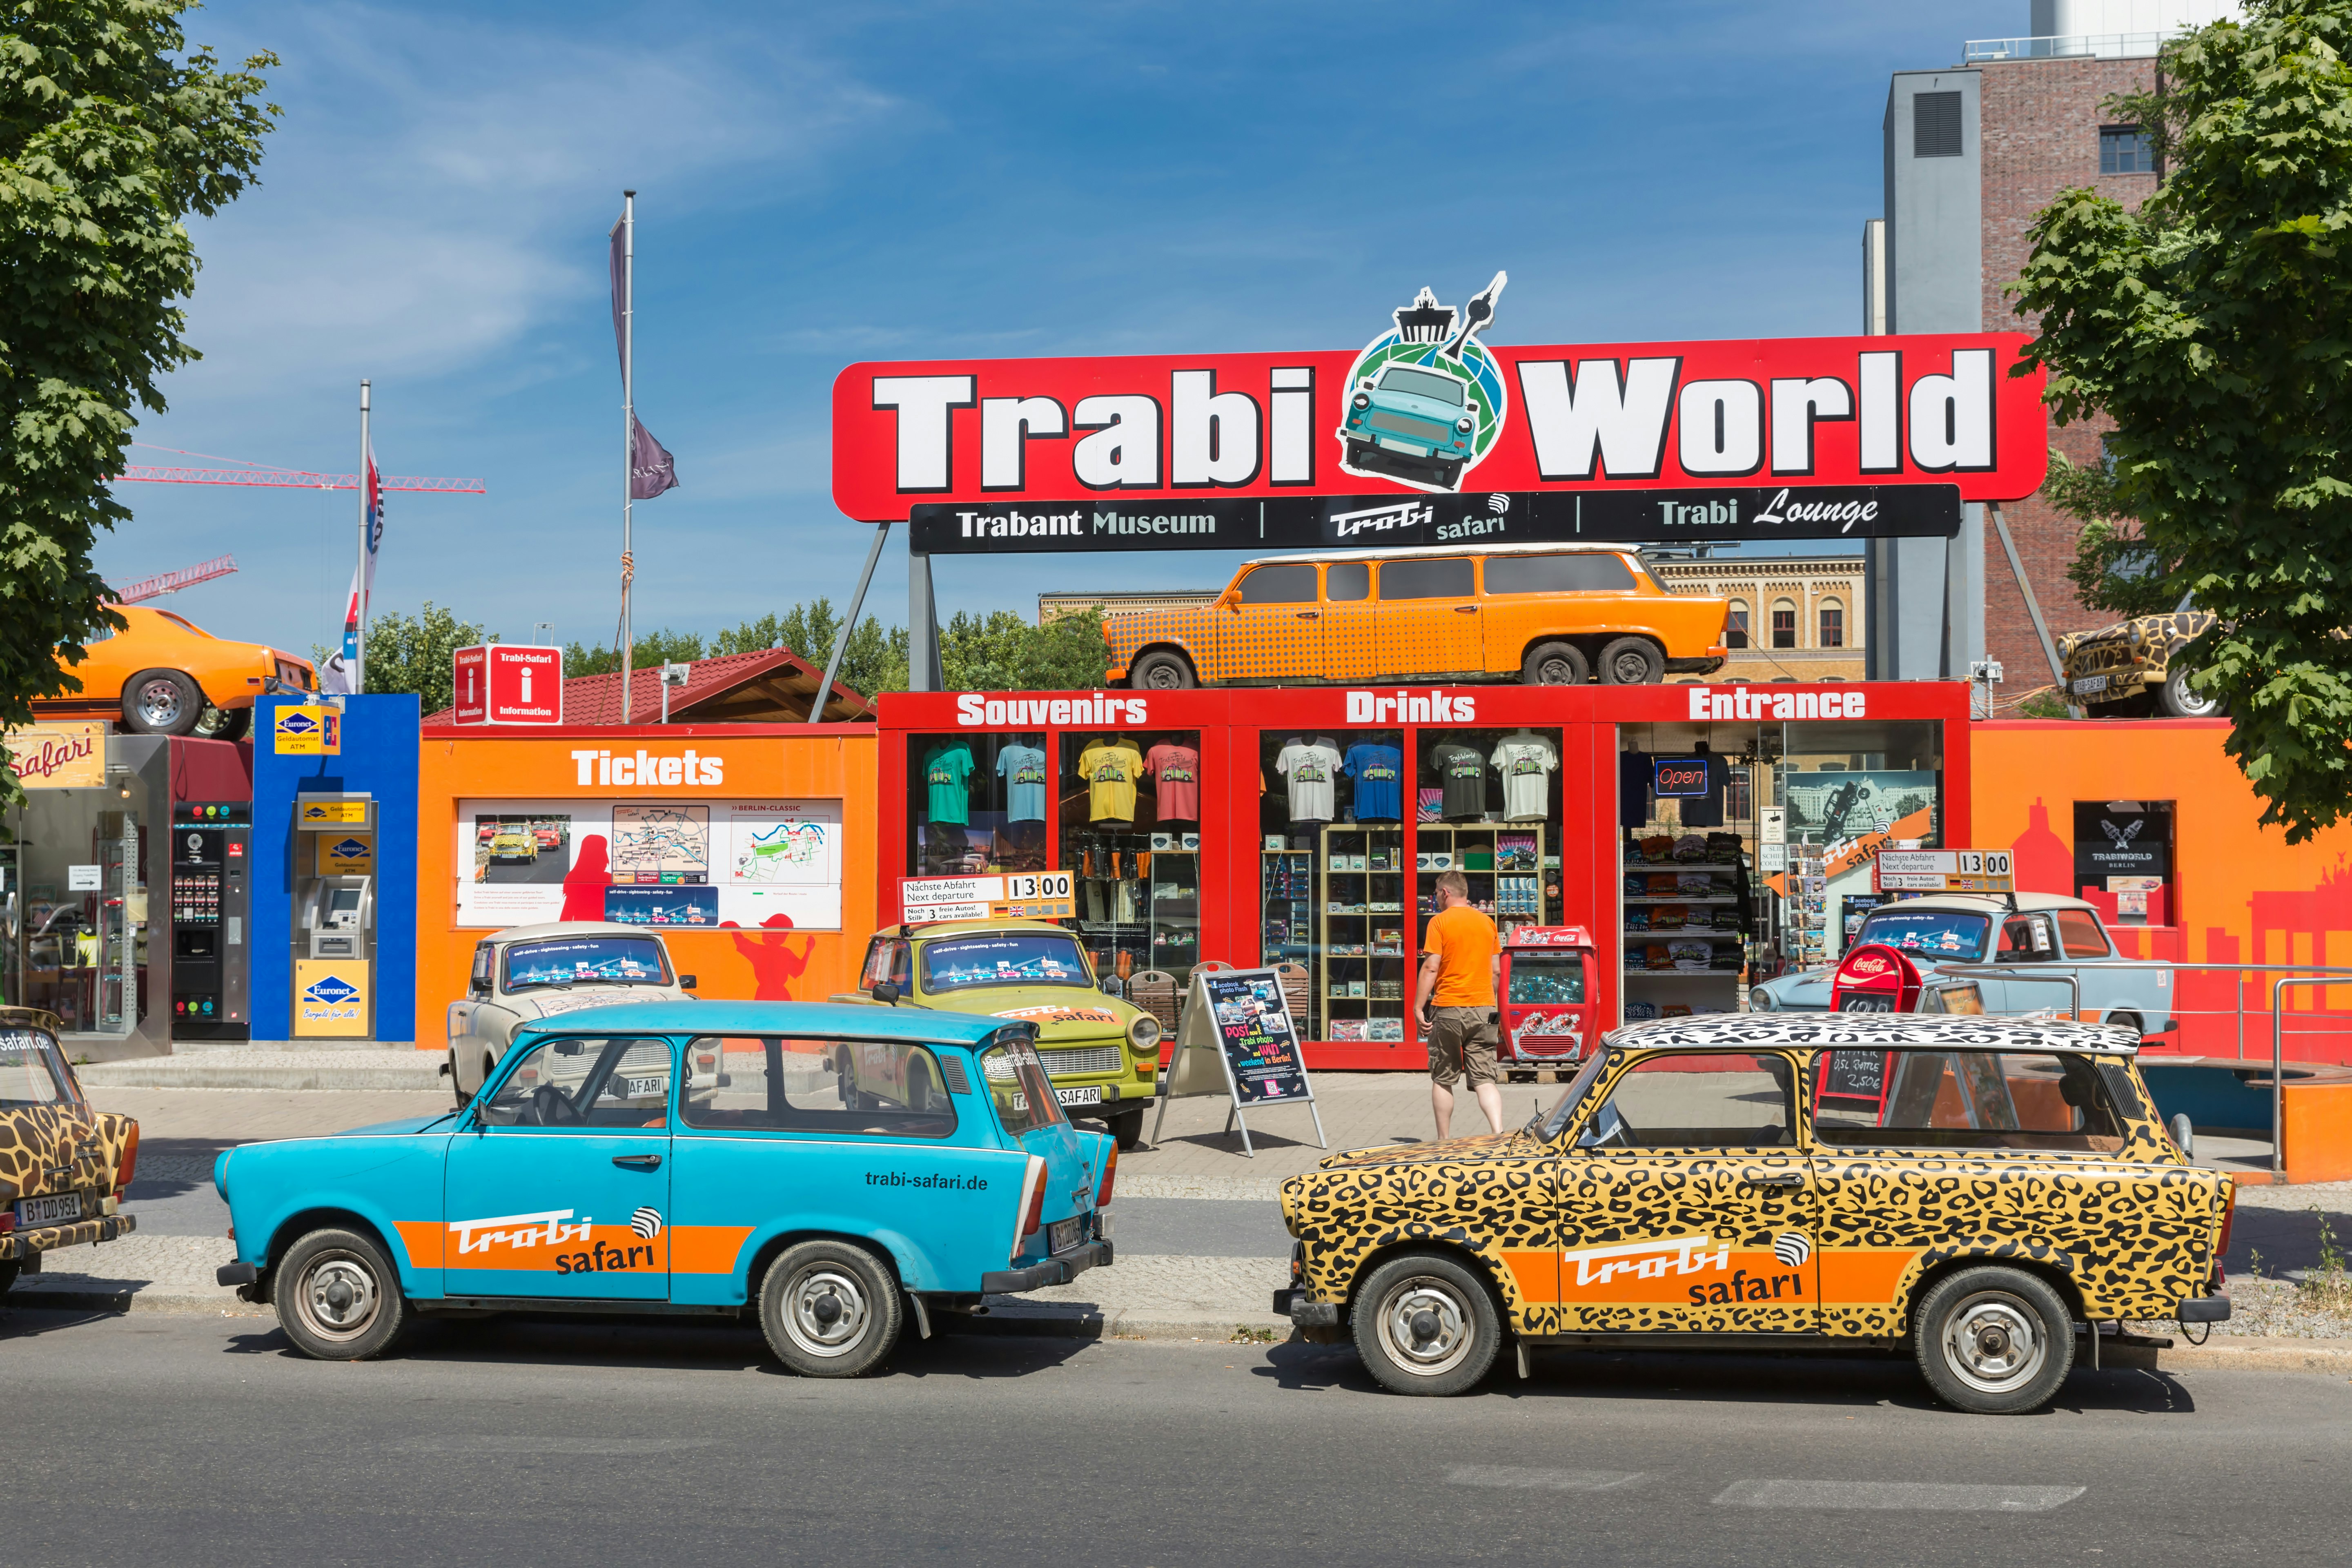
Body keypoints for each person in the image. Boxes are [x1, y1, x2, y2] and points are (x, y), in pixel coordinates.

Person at [1415, 869, 1503, 1139]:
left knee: (1443, 1077)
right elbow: (1496, 971)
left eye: (1436, 895)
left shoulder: (1439, 922)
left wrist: (1418, 1007)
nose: (1437, 900)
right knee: (1485, 1079)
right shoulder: (1487, 923)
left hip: (1449, 1008)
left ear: (1445, 893)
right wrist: (1490, 1003)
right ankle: (1499, 1134)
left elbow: (1432, 967)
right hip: (1484, 1008)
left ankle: (1444, 1140)